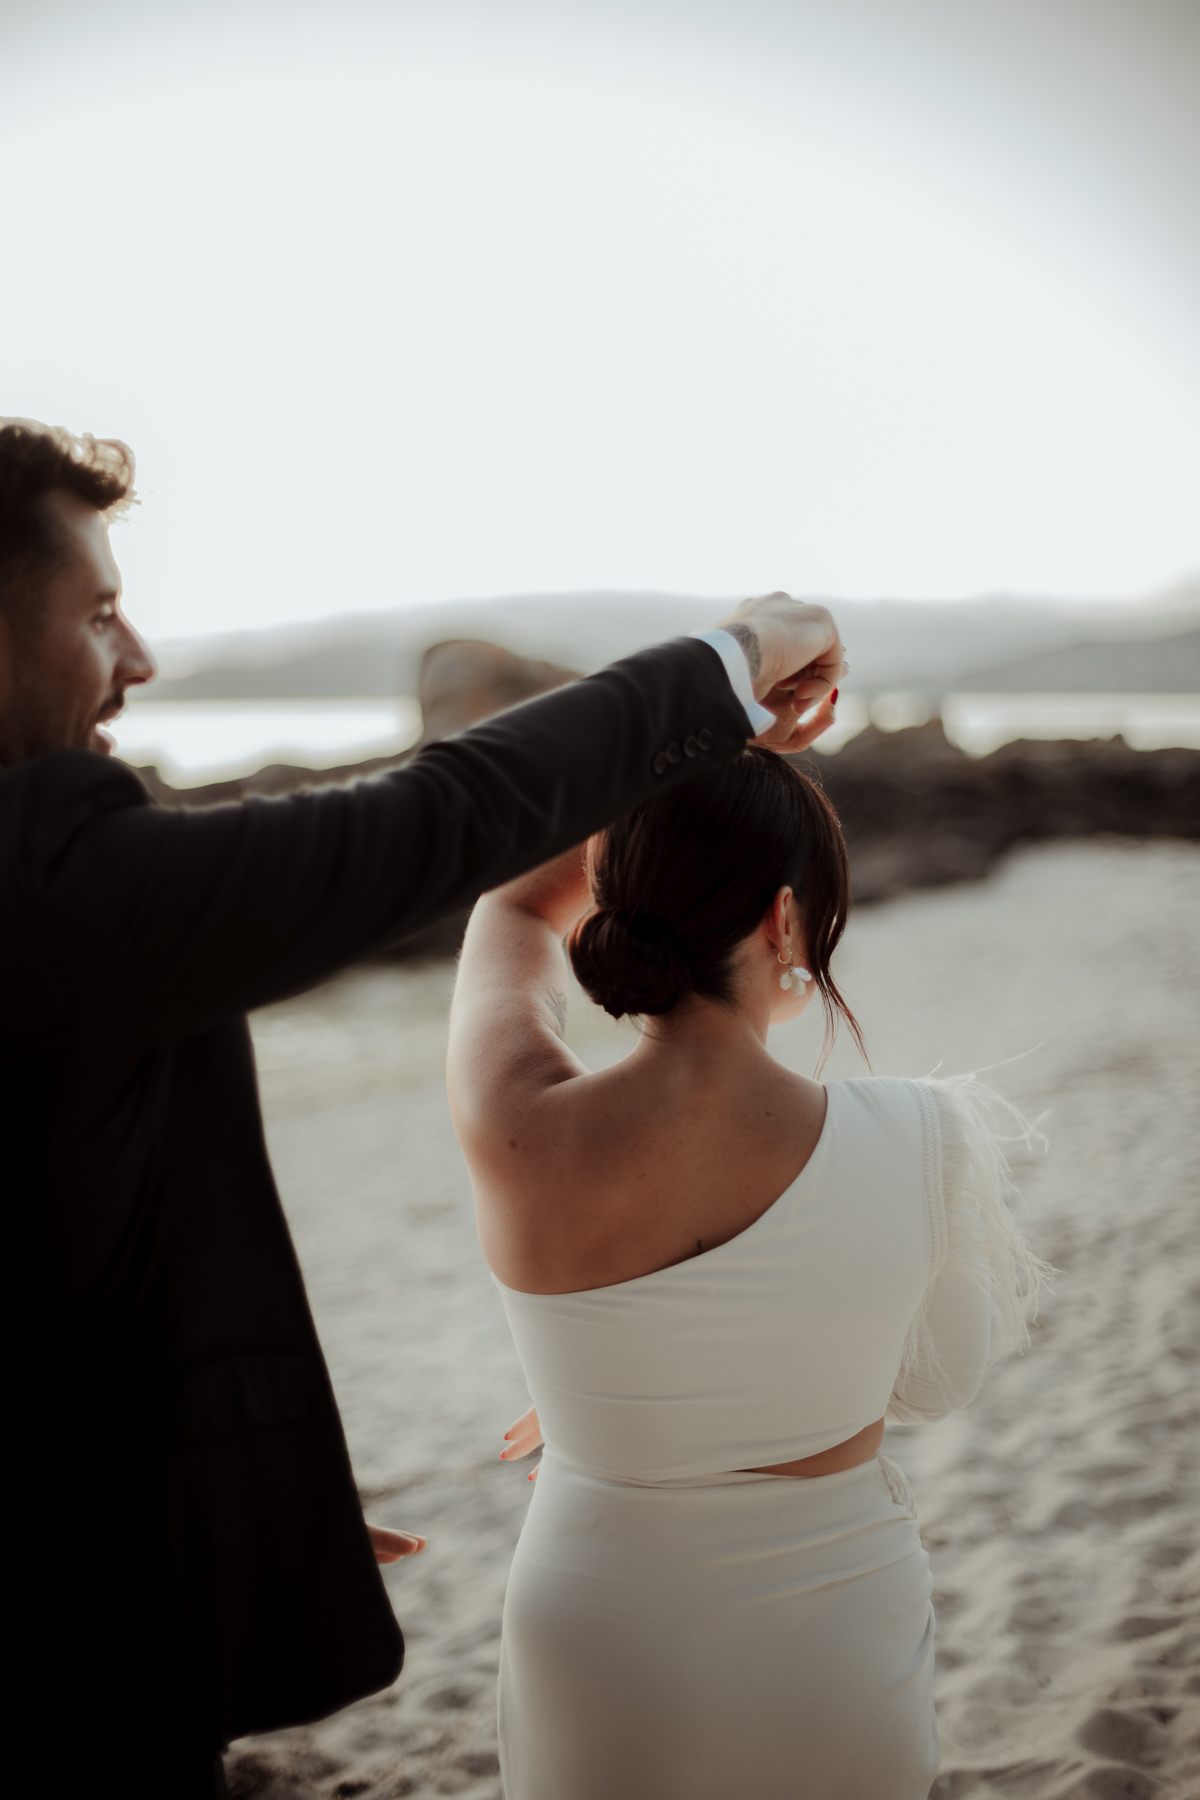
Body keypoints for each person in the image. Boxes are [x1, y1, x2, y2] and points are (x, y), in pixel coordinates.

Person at [0, 418, 843, 1797]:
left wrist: (237, 1474)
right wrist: (732, 665)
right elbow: (441, 815)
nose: (140, 659)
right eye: (97, 613)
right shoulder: (45, 891)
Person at [446, 743, 1049, 1797]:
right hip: (826, 1623)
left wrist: (624, 1382)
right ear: (782, 920)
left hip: (593, 1617)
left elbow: (509, 908)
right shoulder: (922, 1133)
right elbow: (939, 1383)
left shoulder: (515, 1123)